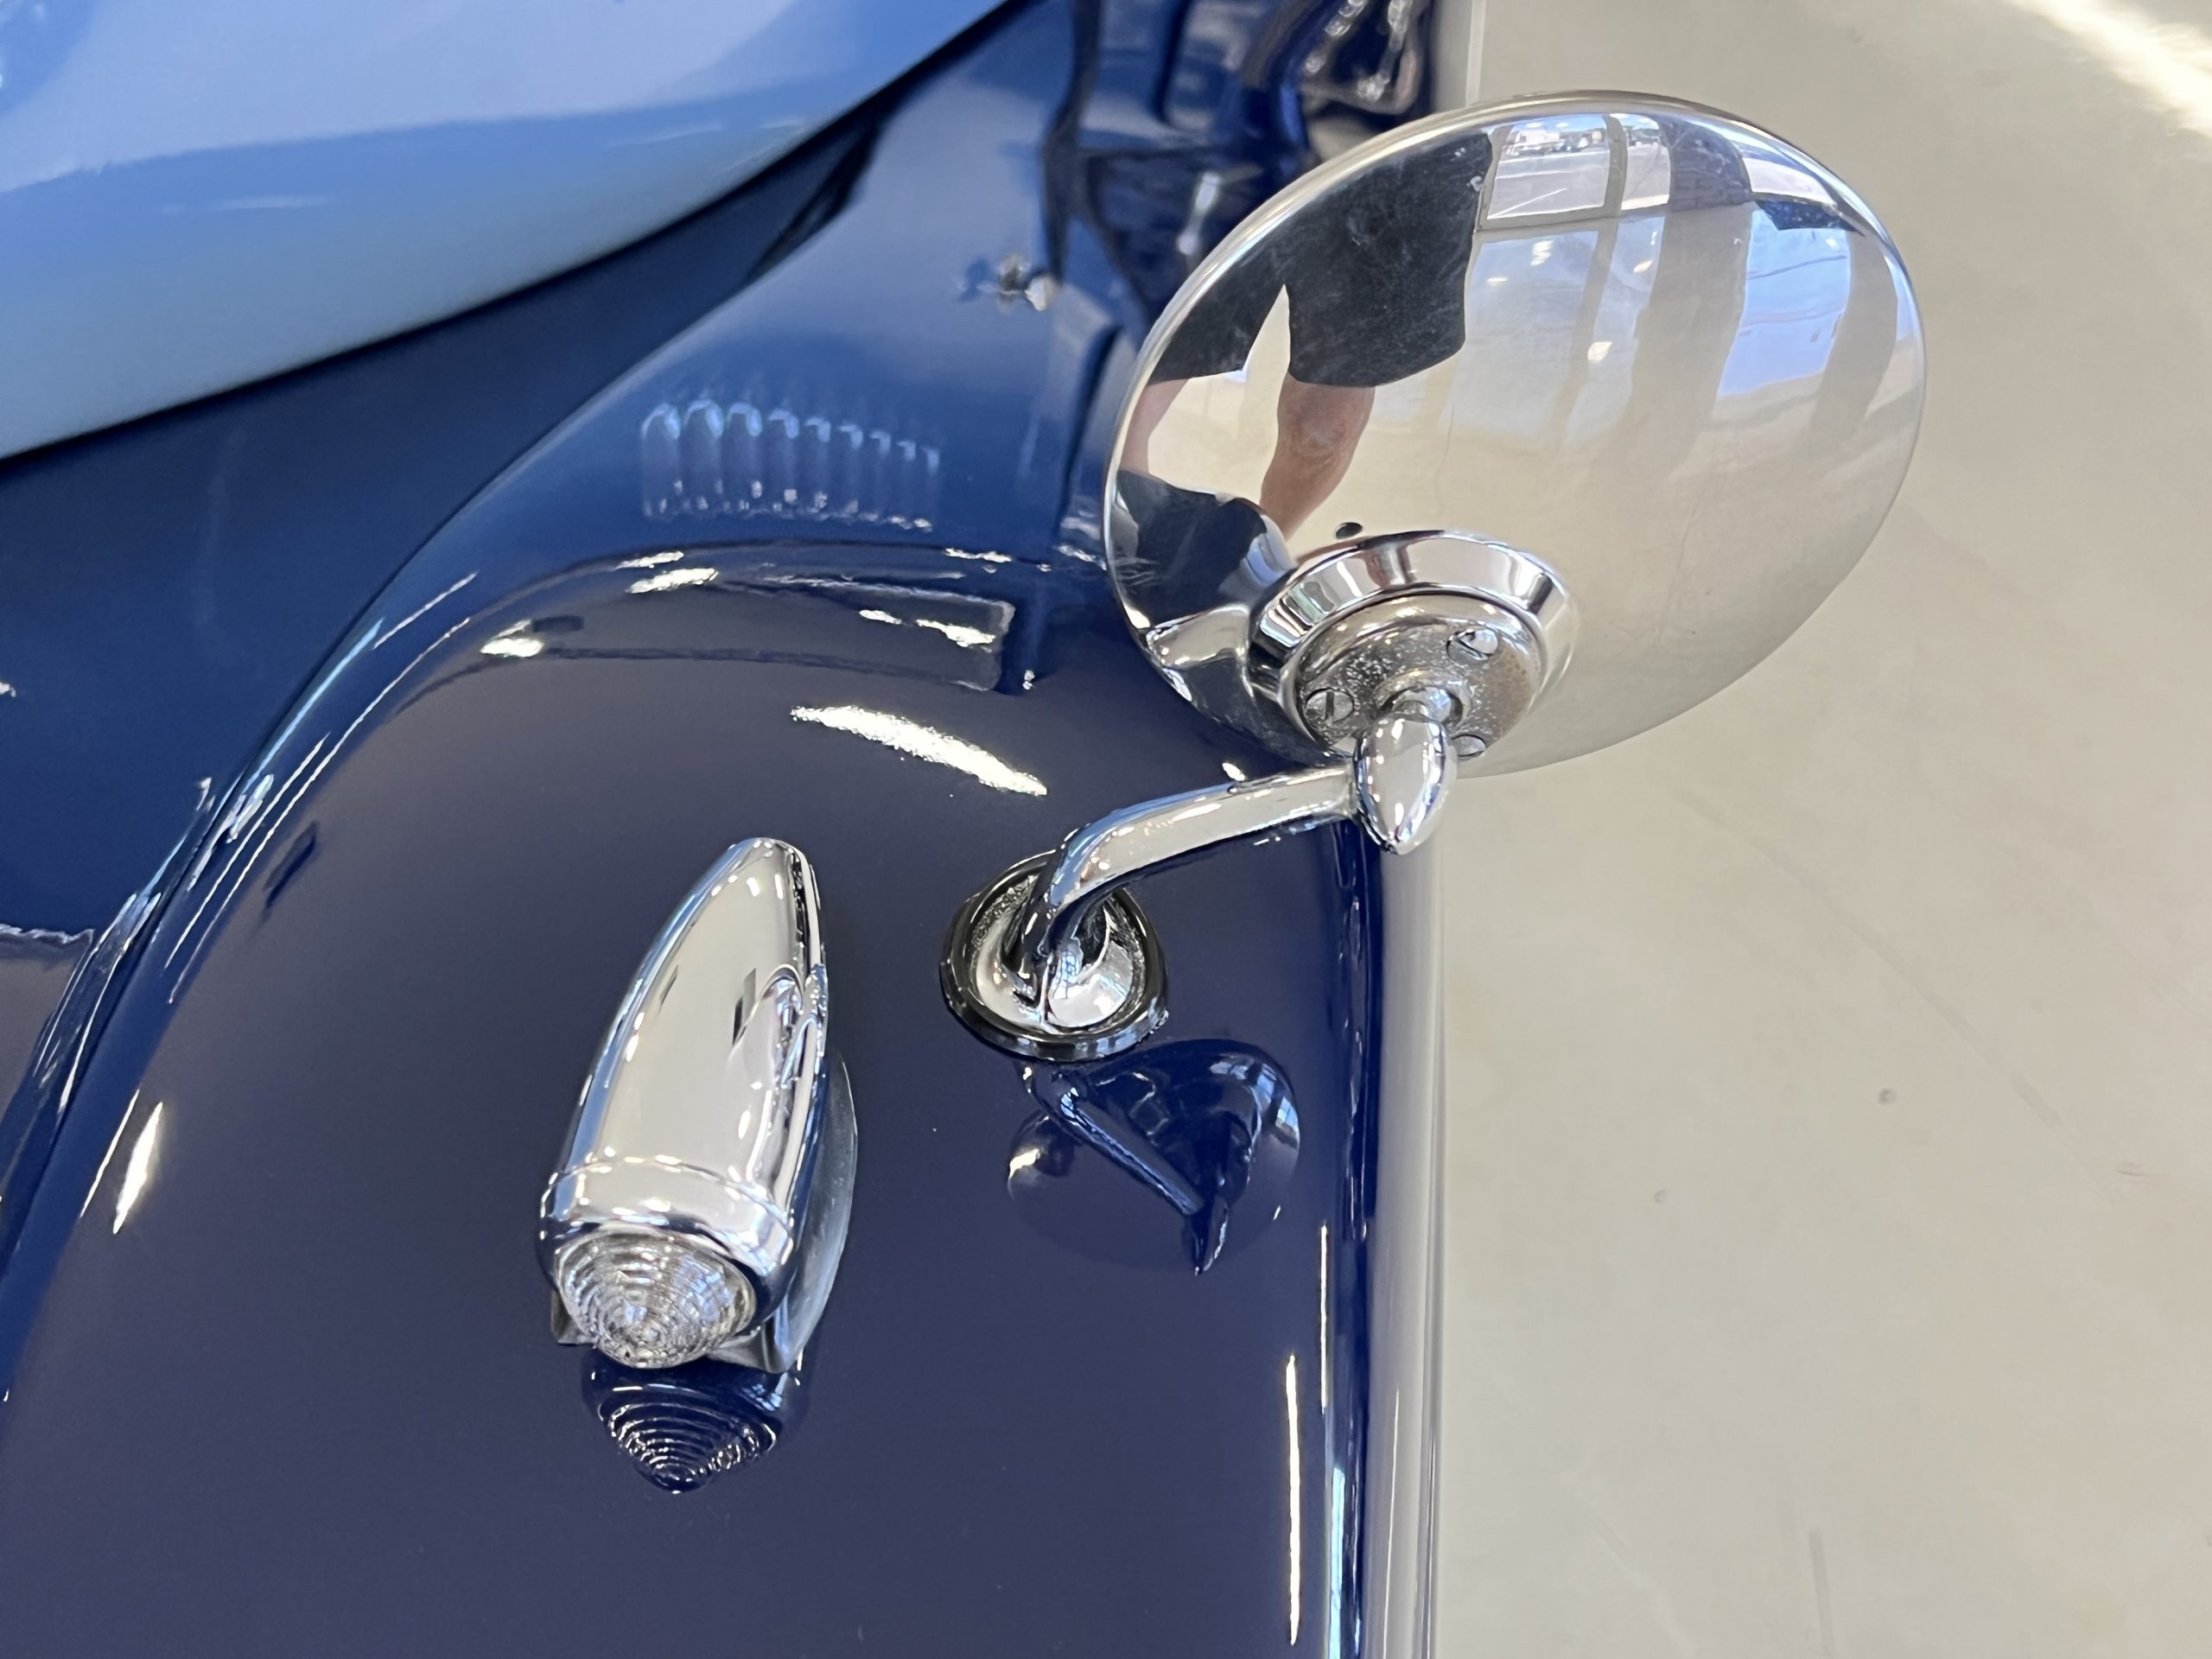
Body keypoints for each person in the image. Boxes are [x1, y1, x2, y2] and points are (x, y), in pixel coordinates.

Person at [1122, 140, 1485, 539]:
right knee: (1148, 367)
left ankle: (1264, 545)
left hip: (1404, 147)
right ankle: (1112, 519)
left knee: (1324, 428)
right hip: (1232, 127)